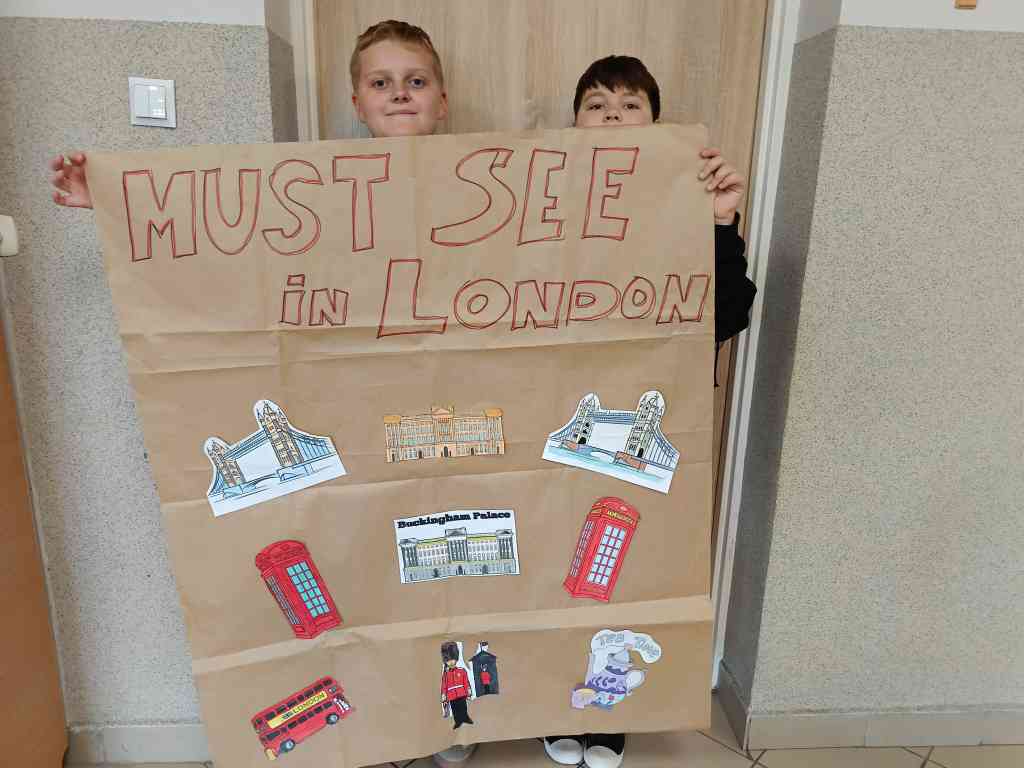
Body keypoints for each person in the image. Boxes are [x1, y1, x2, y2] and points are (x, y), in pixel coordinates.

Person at [49, 17, 473, 768]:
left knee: (445, 571)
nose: (400, 95)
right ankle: (393, 724)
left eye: (416, 81)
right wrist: (114, 204)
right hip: (357, 424)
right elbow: (225, 244)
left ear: (442, 99)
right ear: (356, 101)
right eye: (382, 83)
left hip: (447, 423)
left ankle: (446, 725)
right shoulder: (319, 192)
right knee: (371, 574)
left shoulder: (479, 187)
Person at [540, 55, 757, 768]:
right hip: (554, 418)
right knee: (546, 561)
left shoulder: (687, 204)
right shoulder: (542, 200)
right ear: (574, 123)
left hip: (641, 420)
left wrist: (721, 223)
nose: (612, 115)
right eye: (596, 103)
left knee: (628, 572)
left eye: (630, 104)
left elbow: (727, 315)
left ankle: (611, 709)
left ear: (656, 122)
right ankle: (549, 699)